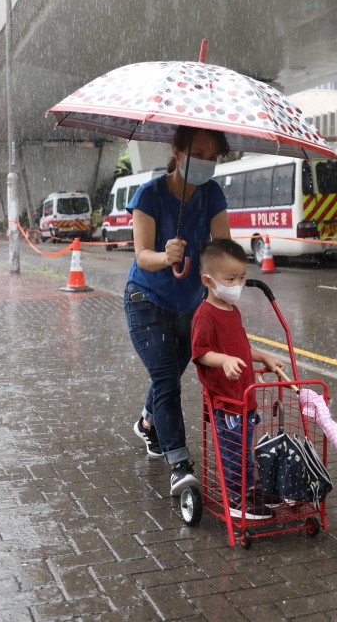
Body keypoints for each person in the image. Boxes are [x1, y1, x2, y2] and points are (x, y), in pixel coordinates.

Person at [125, 125, 231, 497]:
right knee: (167, 378)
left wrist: (226, 274)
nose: (205, 162)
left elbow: (222, 247)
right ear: (178, 149)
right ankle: (180, 465)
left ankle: (148, 423)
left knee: (168, 373)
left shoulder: (212, 194)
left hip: (189, 306)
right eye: (198, 153)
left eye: (212, 157)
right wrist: (164, 254)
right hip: (146, 301)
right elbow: (142, 256)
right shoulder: (148, 195)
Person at [191, 239, 284, 520]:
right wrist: (223, 360)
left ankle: (249, 490)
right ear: (208, 280)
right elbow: (200, 353)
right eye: (230, 279)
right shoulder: (205, 315)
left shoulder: (233, 311)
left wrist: (263, 357)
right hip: (227, 402)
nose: (238, 285)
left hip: (245, 397)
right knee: (233, 453)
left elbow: (241, 347)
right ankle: (236, 498)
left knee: (245, 451)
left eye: (242, 278)